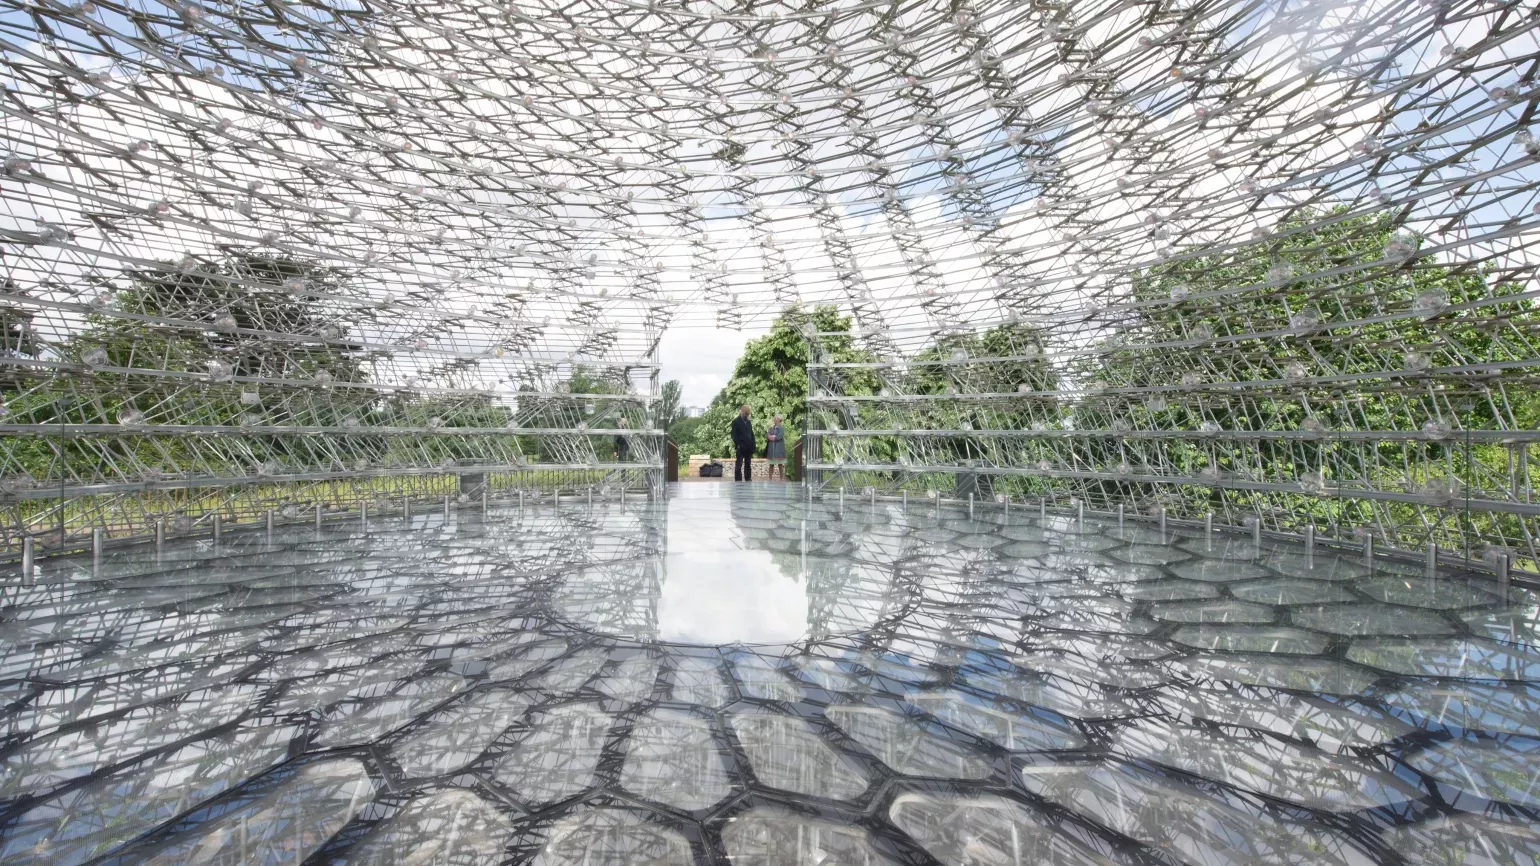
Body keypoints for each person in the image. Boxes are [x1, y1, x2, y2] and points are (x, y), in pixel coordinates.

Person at [730, 404, 755, 482]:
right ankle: (738, 480)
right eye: (746, 413)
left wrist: (753, 444)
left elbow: (751, 434)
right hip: (740, 447)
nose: (747, 415)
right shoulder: (735, 422)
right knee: (739, 465)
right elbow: (734, 435)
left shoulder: (748, 422)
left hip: (749, 447)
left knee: (748, 464)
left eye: (748, 414)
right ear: (742, 412)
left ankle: (748, 479)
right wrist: (738, 445)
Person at [765, 414, 786, 481]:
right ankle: (770, 479)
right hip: (772, 449)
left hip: (778, 449)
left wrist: (774, 437)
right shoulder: (771, 427)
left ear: (779, 420)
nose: (774, 419)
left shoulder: (781, 428)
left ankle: (781, 479)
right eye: (774, 418)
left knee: (780, 464)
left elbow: (780, 436)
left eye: (776, 418)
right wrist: (770, 436)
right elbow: (767, 434)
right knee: (771, 465)